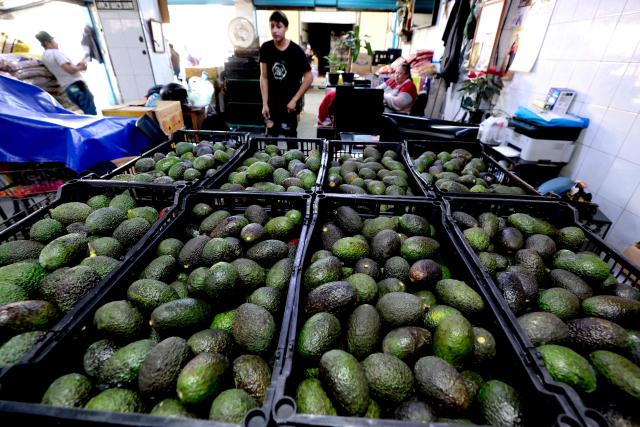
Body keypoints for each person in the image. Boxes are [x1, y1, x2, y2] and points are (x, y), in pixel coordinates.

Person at [259, 11, 313, 137]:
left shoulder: (296, 51)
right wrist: (265, 104)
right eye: (272, 26)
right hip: (271, 107)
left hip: (290, 107)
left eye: (278, 26)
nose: (274, 30)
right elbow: (264, 77)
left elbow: (309, 77)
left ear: (286, 28)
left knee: (291, 142)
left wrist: (295, 100)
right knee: (271, 142)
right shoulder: (266, 48)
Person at [36, 31, 96, 115]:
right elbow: (69, 69)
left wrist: (76, 66)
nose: (56, 43)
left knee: (84, 112)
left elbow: (63, 69)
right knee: (89, 109)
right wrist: (81, 67)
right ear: (47, 43)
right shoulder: (55, 53)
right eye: (54, 41)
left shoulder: (44, 57)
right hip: (77, 85)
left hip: (69, 89)